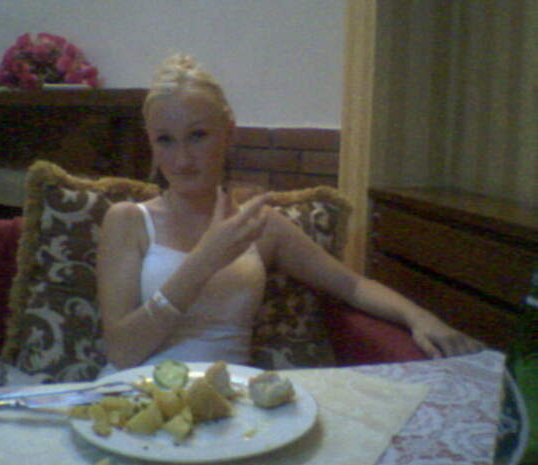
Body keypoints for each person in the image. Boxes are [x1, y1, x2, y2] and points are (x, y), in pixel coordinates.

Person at [96, 54, 483, 375]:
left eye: (198, 135)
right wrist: (205, 260)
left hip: (228, 409)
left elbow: (350, 285)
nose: (181, 159)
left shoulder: (259, 225)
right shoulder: (128, 220)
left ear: (229, 133)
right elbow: (122, 352)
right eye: (165, 140)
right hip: (134, 402)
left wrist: (419, 317)